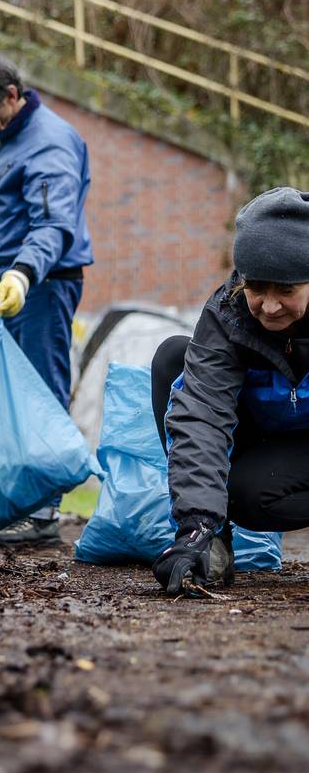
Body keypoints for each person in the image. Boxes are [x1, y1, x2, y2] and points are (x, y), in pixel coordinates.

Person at [0, 52, 93, 545]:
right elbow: (15, 198)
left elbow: (53, 223)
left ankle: (43, 516)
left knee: (41, 392)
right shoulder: (16, 138)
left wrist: (25, 274)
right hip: (21, 285)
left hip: (42, 285)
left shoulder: (47, 144)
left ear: (11, 95)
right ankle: (27, 504)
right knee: (19, 395)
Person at [151, 187, 309, 594]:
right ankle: (214, 544)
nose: (270, 306)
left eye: (286, 290)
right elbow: (202, 413)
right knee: (174, 357)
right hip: (262, 436)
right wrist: (196, 526)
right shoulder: (228, 313)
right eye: (257, 287)